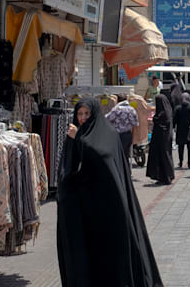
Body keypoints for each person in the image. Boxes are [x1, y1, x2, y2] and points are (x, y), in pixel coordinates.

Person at [58, 98, 163, 287]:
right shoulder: (75, 136)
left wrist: (79, 138)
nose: (82, 118)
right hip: (85, 210)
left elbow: (101, 158)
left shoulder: (106, 134)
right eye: (79, 114)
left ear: (95, 114)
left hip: (109, 210)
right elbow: (69, 168)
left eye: (86, 114)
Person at [146, 94, 175, 185]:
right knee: (164, 157)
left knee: (163, 157)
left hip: (161, 139)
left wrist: (154, 119)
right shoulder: (167, 111)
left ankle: (165, 177)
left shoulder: (162, 114)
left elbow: (160, 123)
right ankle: (164, 177)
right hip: (165, 139)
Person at [104, 93, 139, 162]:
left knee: (118, 157)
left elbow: (106, 119)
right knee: (126, 157)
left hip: (118, 136)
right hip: (128, 135)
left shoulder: (116, 109)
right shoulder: (131, 109)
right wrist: (133, 138)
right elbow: (135, 125)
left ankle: (120, 172)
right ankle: (127, 171)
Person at [173, 93, 190, 169]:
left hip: (180, 131)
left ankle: (180, 162)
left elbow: (174, 120)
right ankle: (189, 163)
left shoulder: (178, 108)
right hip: (189, 131)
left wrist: (173, 128)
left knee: (181, 147)